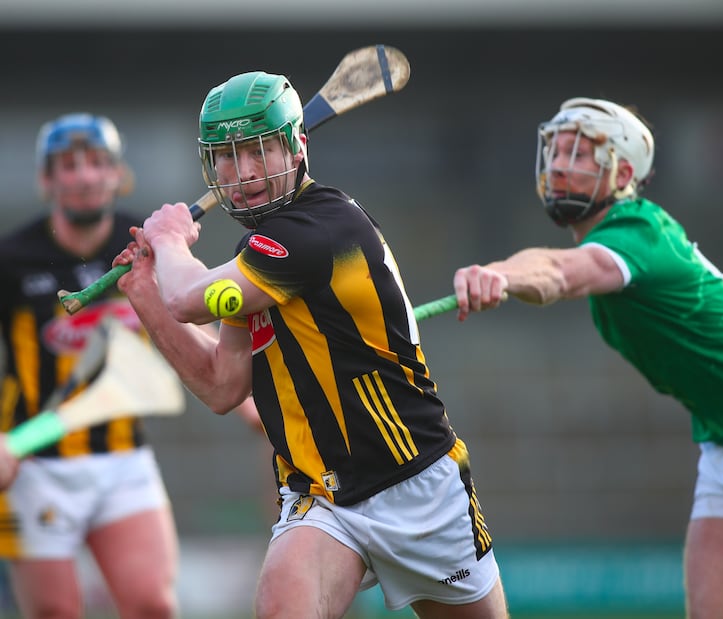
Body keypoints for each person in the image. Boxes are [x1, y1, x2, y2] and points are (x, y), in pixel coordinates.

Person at [111, 70, 508, 619]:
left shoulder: (318, 228)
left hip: (415, 483)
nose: (243, 172)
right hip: (319, 496)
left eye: (258, 150)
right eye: (227, 156)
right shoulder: (256, 252)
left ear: (297, 148)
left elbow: (189, 298)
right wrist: (144, 295)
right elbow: (222, 385)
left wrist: (169, 238)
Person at [452, 97, 723, 619]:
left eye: (582, 153)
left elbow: (557, 271)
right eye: (558, 149)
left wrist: (500, 275)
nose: (561, 163)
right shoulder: (611, 251)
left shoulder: (637, 230)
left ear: (625, 173)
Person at [0, 113, 181, 619]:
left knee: (153, 605)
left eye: (97, 163)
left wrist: (250, 401)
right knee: (54, 614)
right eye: (68, 166)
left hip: (123, 458)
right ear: (46, 181)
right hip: (34, 465)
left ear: (118, 174)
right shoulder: (12, 258)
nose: (83, 176)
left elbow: (187, 318)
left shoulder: (143, 245)